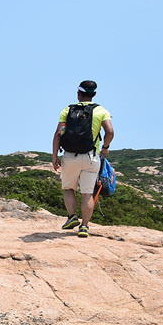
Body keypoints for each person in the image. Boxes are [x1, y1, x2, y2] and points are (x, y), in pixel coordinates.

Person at [51, 80, 114, 238]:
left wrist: (54, 156)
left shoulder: (68, 110)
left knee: (68, 188)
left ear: (78, 93)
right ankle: (84, 226)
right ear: (94, 94)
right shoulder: (101, 111)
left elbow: (58, 134)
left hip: (70, 156)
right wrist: (105, 147)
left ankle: (72, 216)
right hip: (91, 157)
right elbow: (110, 131)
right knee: (87, 193)